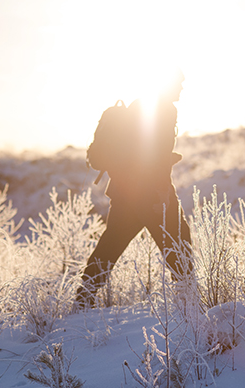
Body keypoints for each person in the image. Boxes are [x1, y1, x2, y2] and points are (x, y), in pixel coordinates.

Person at [76, 69, 192, 308]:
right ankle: (188, 303)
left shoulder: (141, 106)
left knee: (110, 247)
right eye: (179, 83)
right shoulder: (163, 109)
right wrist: (161, 189)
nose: (182, 88)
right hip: (150, 192)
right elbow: (152, 153)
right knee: (179, 241)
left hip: (124, 192)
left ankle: (82, 299)